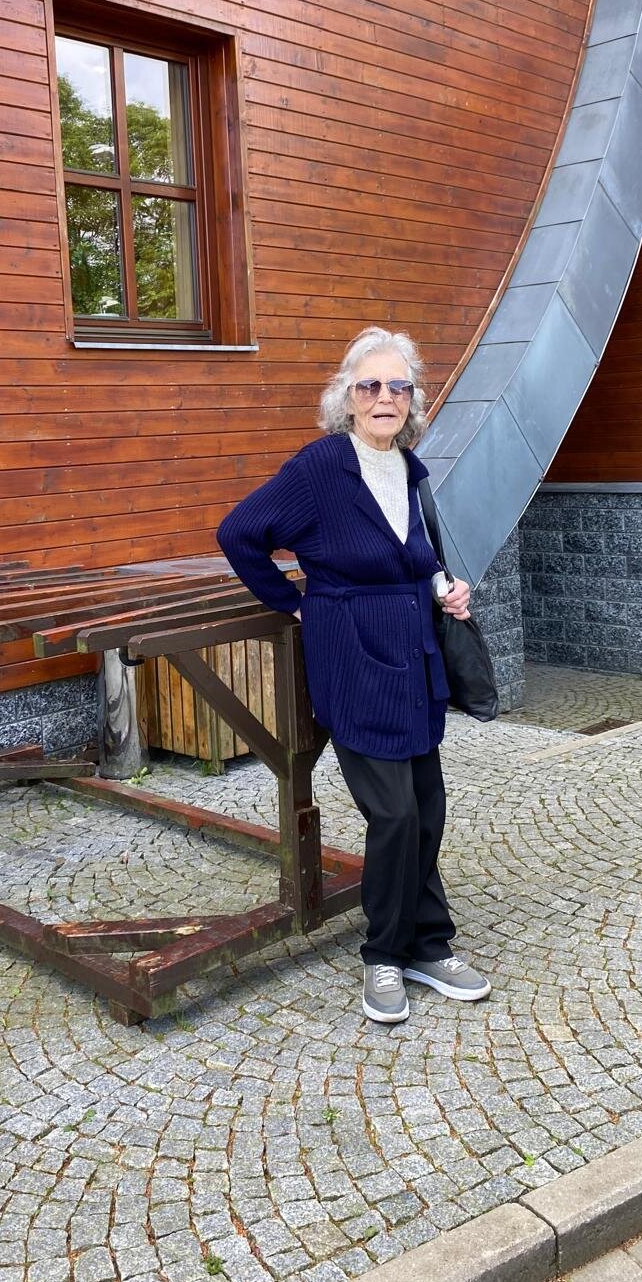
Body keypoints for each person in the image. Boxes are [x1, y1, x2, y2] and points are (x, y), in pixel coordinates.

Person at [217, 327, 491, 1023]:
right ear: (347, 398)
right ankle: (384, 955)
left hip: (415, 658)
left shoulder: (410, 470)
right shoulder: (320, 468)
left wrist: (445, 589)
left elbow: (417, 558)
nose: (383, 398)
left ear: (412, 400)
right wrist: (291, 602)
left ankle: (429, 944)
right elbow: (239, 533)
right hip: (355, 661)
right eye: (369, 386)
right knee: (393, 814)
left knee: (427, 807)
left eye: (398, 386)